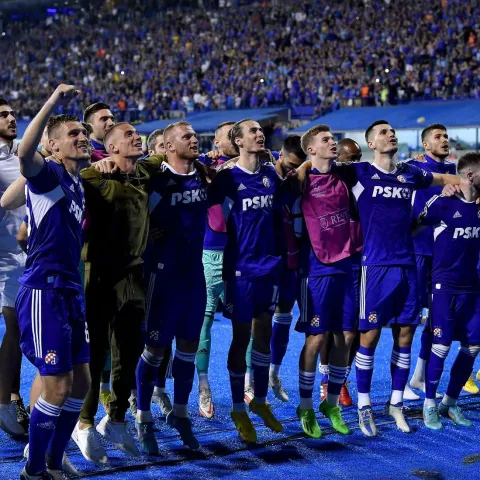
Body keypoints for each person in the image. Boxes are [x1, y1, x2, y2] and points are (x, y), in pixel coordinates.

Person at [332, 120, 460, 436]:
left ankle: (396, 403)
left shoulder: (410, 173)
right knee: (370, 338)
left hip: (407, 266)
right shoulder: (358, 172)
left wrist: (459, 182)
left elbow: (441, 177)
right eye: (383, 132)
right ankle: (364, 406)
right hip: (375, 267)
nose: (390, 134)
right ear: (371, 143)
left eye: (392, 131)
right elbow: (320, 168)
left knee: (405, 336)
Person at [72, 122, 162, 463]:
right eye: (129, 135)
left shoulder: (143, 171)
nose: (136, 137)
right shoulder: (94, 177)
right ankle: (83, 423)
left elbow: (167, 152)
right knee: (94, 354)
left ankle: (118, 418)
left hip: (135, 274)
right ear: (111, 149)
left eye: (137, 134)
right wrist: (92, 163)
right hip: (101, 275)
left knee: (129, 349)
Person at [17, 84, 91, 479]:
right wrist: (50, 103)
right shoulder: (48, 175)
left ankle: (53, 458)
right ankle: (33, 469)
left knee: (82, 383)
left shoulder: (79, 182)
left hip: (69, 291)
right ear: (55, 146)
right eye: (73, 135)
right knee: (57, 387)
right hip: (44, 291)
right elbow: (25, 155)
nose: (82, 138)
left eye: (84, 133)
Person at [135, 121, 212, 453]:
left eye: (195, 136)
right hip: (161, 278)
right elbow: (135, 219)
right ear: (167, 146)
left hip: (194, 276)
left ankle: (181, 414)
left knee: (188, 348)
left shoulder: (206, 177)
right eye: (187, 137)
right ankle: (142, 417)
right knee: (153, 350)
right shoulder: (153, 181)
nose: (194, 140)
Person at [208, 119, 284, 443]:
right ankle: (239, 407)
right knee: (241, 339)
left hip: (269, 268)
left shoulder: (270, 175)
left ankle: (261, 401)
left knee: (263, 336)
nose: (259, 134)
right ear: (237, 141)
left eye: (260, 130)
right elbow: (214, 222)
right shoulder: (227, 179)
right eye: (251, 131)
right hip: (240, 270)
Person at [293, 126, 357, 438]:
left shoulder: (347, 175)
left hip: (346, 265)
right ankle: (305, 404)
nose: (333, 143)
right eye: (326, 140)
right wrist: (304, 166)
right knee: (316, 338)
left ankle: (331, 403)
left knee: (346, 335)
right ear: (311, 150)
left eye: (333, 139)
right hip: (315, 268)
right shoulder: (300, 181)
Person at [418, 152, 480, 429]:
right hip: (444, 287)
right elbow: (412, 223)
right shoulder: (443, 204)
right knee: (441, 345)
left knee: (473, 346)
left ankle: (449, 403)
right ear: (469, 176)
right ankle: (429, 403)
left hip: (473, 288)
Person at [404, 124, 457, 400]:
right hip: (416, 250)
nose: (444, 140)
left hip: (441, 253)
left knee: (436, 316)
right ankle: (399, 383)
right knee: (410, 317)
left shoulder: (454, 172)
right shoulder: (412, 168)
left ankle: (420, 375)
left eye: (446, 136)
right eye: (438, 137)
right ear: (426, 144)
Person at [196, 121, 236, 418]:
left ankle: (247, 382)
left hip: (242, 254)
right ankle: (203, 384)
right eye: (229, 134)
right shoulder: (200, 167)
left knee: (244, 323)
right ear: (217, 142)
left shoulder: (258, 165)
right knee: (205, 321)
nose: (236, 137)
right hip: (211, 252)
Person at [318, 138, 363, 408]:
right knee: (328, 327)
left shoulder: (366, 183)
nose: (354, 163)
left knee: (356, 329)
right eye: (349, 158)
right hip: (331, 263)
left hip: (362, 261)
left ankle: (342, 378)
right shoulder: (327, 183)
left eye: (357, 158)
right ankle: (326, 381)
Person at [266, 135, 307, 403]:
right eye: (290, 165)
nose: (294, 171)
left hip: (298, 256)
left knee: (286, 316)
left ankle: (273, 374)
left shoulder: (308, 178)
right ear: (280, 156)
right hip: (267, 258)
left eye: (298, 166)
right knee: (256, 322)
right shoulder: (266, 177)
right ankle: (250, 382)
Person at [0, 98, 28, 437]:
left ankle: (13, 396)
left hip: (31, 254)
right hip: (5, 257)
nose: (11, 118)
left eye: (11, 113)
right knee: (16, 327)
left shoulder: (23, 150)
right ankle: (6, 402)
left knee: (21, 329)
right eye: (3, 115)